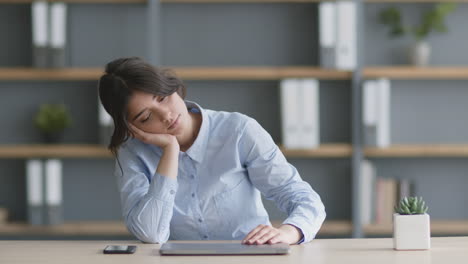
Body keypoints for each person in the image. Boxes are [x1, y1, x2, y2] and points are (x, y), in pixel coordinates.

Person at [98, 57, 326, 245]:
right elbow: (150, 233)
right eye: (146, 117)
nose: (166, 116)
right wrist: (170, 151)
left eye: (163, 98)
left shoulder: (238, 131)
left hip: (250, 256)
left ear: (172, 87)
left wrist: (290, 231)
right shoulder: (132, 153)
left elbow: (306, 200)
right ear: (130, 126)